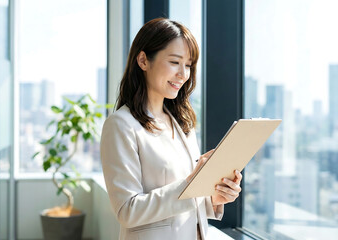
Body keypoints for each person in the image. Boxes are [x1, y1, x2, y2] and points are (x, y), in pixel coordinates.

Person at [100, 18, 242, 240]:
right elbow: (126, 211)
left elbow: (186, 200)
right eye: (175, 62)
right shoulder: (121, 125)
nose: (183, 74)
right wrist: (190, 184)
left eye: (188, 65)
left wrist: (215, 195)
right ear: (143, 60)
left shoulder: (182, 123)